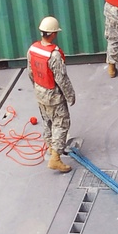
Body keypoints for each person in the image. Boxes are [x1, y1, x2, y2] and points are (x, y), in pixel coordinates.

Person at [27, 15, 77, 173]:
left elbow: (31, 72)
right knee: (61, 124)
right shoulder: (54, 55)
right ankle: (55, 157)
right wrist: (70, 96)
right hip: (54, 96)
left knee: (47, 121)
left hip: (40, 92)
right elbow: (61, 79)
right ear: (54, 33)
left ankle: (50, 146)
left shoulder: (32, 49)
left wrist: (37, 88)